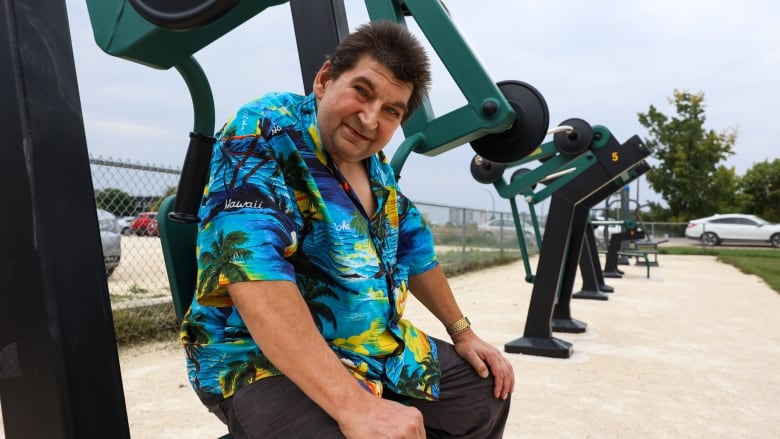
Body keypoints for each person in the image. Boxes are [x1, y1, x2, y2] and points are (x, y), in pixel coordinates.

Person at [180, 20, 514, 438]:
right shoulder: (265, 131)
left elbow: (414, 248)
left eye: (391, 111)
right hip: (257, 360)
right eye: (362, 91)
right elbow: (253, 270)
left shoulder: (377, 170)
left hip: (373, 349)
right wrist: (354, 405)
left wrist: (463, 333)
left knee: (486, 390)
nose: (370, 118)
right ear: (324, 80)